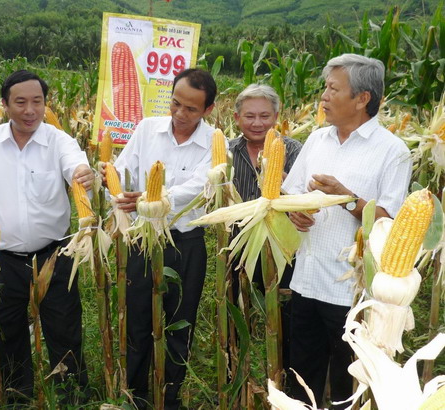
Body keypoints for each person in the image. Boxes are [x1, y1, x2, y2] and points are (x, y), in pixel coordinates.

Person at [0, 70, 94, 405]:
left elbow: (75, 166)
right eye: (21, 102)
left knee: (65, 331)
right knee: (8, 332)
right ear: (4, 105)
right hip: (2, 261)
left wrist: (82, 174)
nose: (30, 110)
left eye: (37, 102)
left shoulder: (59, 142)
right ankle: (16, 395)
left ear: (45, 104)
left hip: (55, 255)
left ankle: (71, 396)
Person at [282, 54, 412, 408]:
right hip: (306, 280)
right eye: (325, 88)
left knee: (347, 386)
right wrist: (298, 213)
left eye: (332, 89)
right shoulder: (317, 139)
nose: (323, 97)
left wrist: (346, 197)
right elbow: (291, 193)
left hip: (351, 294)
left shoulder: (393, 152)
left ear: (361, 98)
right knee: (301, 380)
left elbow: (390, 223)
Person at [110, 68, 216, 409]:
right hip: (142, 240)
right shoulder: (146, 129)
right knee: (138, 319)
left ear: (208, 110)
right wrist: (123, 191)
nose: (180, 115)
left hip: (185, 244)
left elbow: (201, 187)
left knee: (179, 322)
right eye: (176, 104)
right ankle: (137, 395)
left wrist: (154, 197)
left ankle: (170, 397)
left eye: (191, 110)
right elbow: (124, 168)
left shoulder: (215, 142)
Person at [229, 83, 303, 373]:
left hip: (281, 244)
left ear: (276, 117)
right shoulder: (228, 151)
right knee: (235, 307)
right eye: (249, 116)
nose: (257, 123)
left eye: (264, 116)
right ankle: (235, 368)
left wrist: (281, 179)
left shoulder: (295, 150)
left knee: (283, 312)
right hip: (238, 242)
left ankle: (284, 372)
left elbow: (303, 199)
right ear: (237, 118)